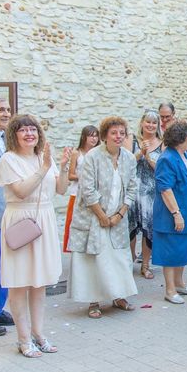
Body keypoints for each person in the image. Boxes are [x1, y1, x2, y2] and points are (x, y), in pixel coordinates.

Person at [0, 114, 71, 357]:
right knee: (19, 284)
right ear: (14, 134)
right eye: (23, 130)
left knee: (39, 284)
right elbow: (22, 191)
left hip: (44, 221)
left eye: (33, 130)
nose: (29, 134)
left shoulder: (42, 157)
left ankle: (39, 334)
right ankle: (23, 339)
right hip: (21, 221)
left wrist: (65, 167)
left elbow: (60, 189)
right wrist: (45, 168)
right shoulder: (9, 159)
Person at [68, 117, 138, 319]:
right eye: (114, 133)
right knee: (95, 260)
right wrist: (102, 215)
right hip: (93, 217)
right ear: (105, 135)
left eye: (122, 133)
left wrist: (120, 214)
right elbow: (87, 189)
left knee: (118, 258)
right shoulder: (93, 156)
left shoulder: (129, 158)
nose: (118, 136)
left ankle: (118, 296)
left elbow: (132, 188)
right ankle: (94, 301)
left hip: (118, 216)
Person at [152, 120, 187, 304]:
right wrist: (176, 213)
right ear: (181, 138)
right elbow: (165, 188)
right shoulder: (167, 158)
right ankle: (170, 290)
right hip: (172, 214)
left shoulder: (183, 155)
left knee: (182, 249)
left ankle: (179, 283)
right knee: (171, 251)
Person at [128, 110, 163, 279]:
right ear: (142, 123)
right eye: (147, 122)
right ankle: (130, 260)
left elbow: (161, 170)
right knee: (131, 227)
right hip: (132, 189)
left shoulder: (162, 143)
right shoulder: (132, 139)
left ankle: (146, 264)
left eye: (154, 123)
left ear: (158, 126)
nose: (150, 125)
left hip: (150, 192)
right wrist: (140, 152)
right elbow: (125, 163)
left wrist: (148, 157)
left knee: (149, 228)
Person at [0, 97, 13, 336]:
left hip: (7, 213)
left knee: (3, 265)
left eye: (8, 109)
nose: (6, 113)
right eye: (0, 110)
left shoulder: (5, 140)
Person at [62, 125, 99, 253]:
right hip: (77, 193)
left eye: (96, 136)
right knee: (74, 223)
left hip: (94, 194)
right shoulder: (76, 153)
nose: (94, 139)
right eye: (91, 135)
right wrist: (86, 177)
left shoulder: (99, 153)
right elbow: (71, 175)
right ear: (84, 137)